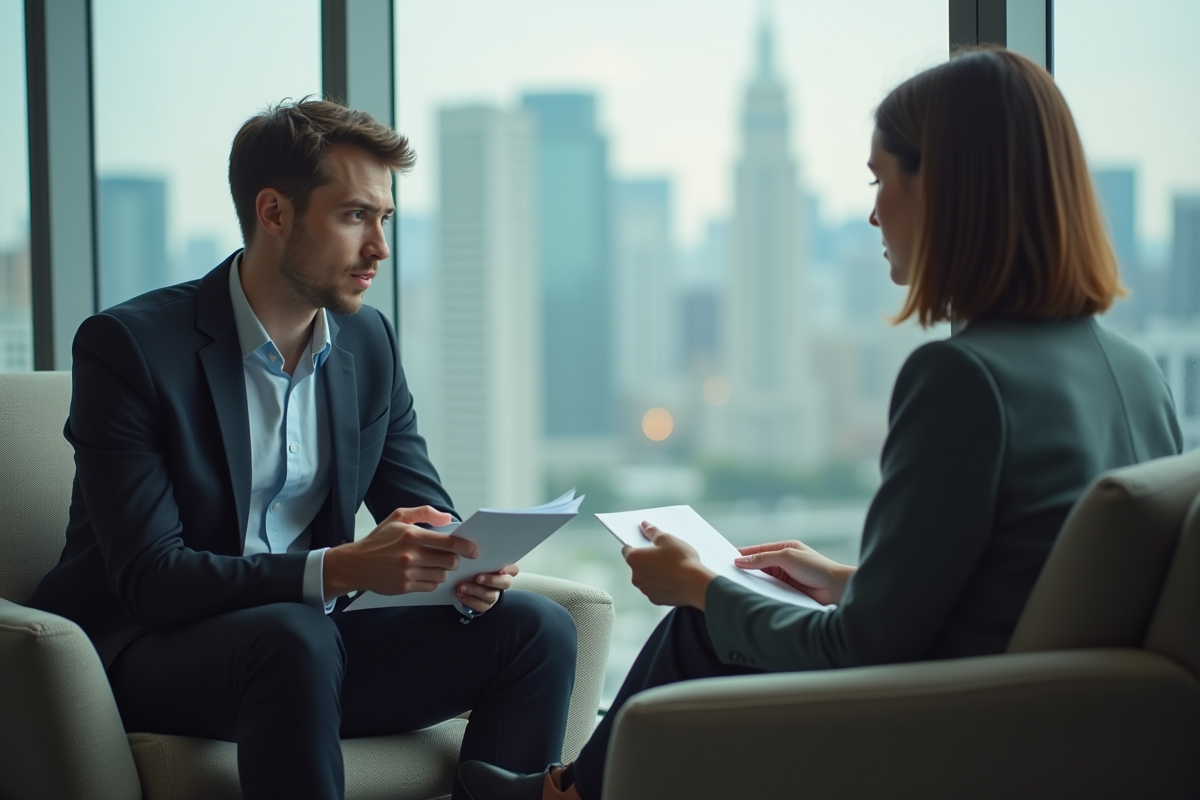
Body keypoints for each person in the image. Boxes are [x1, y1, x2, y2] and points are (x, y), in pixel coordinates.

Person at [457, 47, 1182, 800]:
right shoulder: (1137, 371)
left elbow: (859, 651)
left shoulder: (964, 378)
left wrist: (699, 585)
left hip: (954, 736)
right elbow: (1021, 586)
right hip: (1053, 730)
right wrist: (843, 581)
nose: (872, 212)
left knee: (699, 623)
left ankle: (567, 794)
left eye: (879, 180)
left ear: (944, 188)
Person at [29, 98, 577, 800]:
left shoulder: (368, 342)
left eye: (385, 219)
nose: (379, 248)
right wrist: (341, 567)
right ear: (274, 212)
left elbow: (424, 509)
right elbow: (151, 579)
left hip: (306, 650)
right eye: (355, 216)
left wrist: (464, 565)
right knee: (294, 637)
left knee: (537, 628)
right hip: (150, 649)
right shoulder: (131, 348)